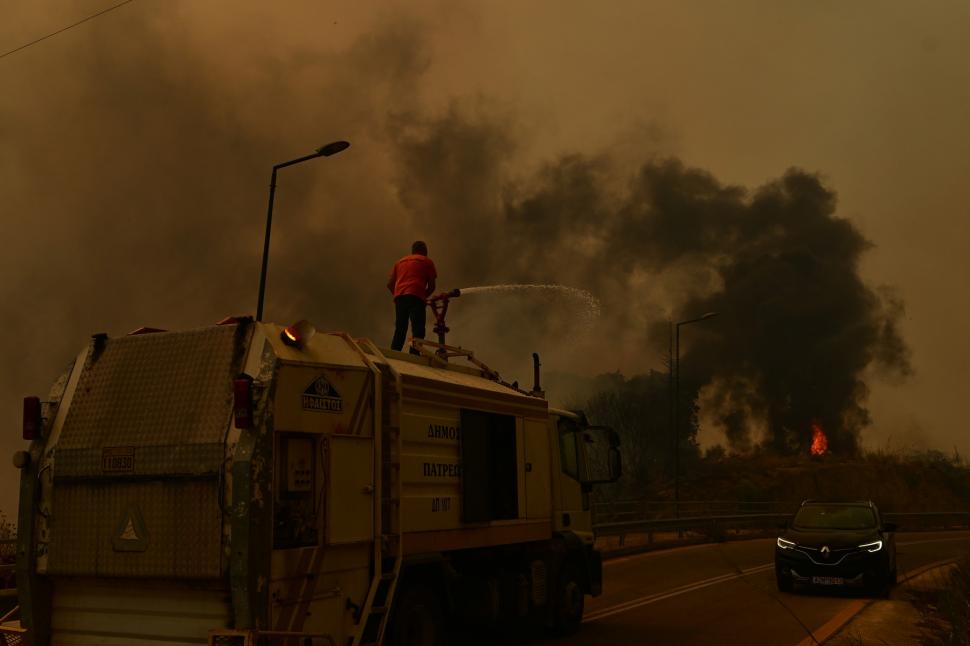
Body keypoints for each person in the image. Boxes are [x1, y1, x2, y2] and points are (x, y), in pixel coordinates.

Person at [387, 240, 437, 353]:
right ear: (425, 251)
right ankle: (414, 355)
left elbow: (390, 284)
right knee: (418, 329)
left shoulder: (399, 262)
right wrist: (424, 296)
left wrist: (398, 293)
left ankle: (394, 353)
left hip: (400, 297)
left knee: (400, 328)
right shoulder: (427, 261)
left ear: (413, 251)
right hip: (416, 296)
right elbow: (432, 286)